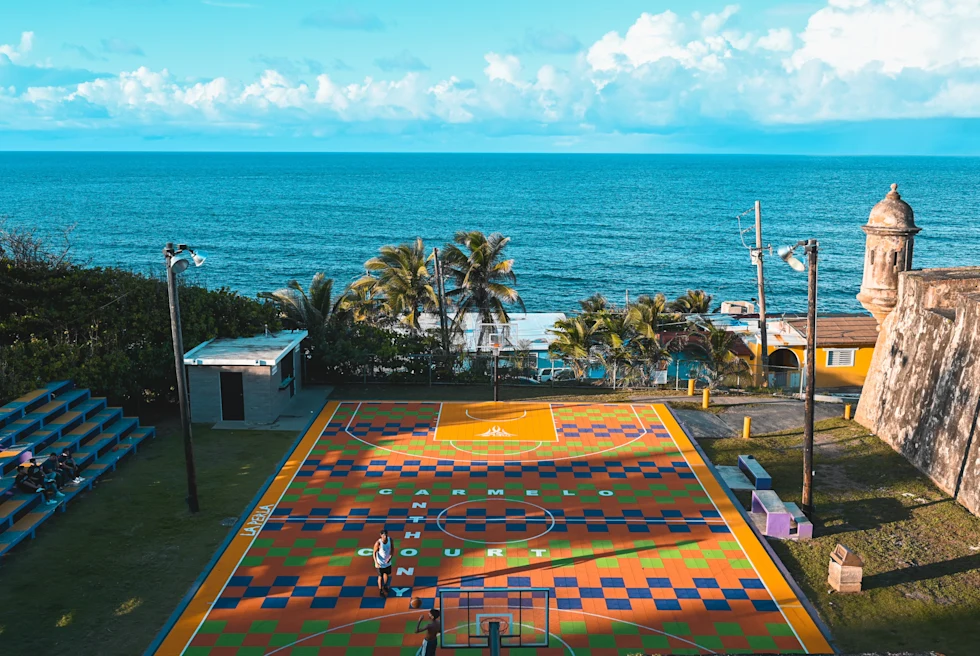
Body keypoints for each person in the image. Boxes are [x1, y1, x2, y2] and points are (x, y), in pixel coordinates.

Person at [372, 528, 393, 597]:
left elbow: (392, 549)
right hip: (380, 563)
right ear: (381, 535)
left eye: (386, 535)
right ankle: (381, 590)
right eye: (384, 535)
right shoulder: (378, 543)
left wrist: (390, 557)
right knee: (380, 576)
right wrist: (376, 562)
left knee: (387, 574)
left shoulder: (390, 540)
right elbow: (374, 553)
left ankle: (385, 586)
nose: (385, 536)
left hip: (387, 562)